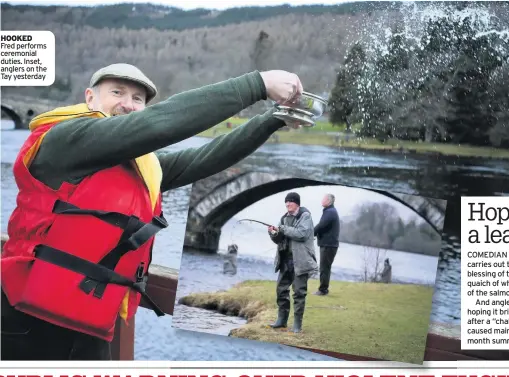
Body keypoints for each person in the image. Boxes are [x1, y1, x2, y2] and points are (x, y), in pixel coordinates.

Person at [1, 63, 306, 360]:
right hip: (22, 322)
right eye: (117, 93)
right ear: (90, 98)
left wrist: (274, 118)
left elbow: (205, 158)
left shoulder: (141, 168)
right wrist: (259, 84)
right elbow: (161, 123)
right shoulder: (63, 139)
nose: (128, 104)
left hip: (89, 332)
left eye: (137, 99)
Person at [267, 192, 318, 333]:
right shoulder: (284, 218)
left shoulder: (305, 216)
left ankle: (297, 325)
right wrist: (273, 233)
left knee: (299, 293)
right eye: (286, 202)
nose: (288, 204)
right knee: (281, 290)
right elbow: (279, 239)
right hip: (285, 260)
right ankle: (281, 321)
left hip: (301, 261)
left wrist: (282, 229)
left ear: (297, 203)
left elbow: (301, 234)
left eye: (290, 202)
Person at [313, 193, 340, 296]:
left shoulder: (330, 212)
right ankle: (323, 289)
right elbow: (322, 226)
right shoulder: (329, 211)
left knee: (324, 267)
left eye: (324, 198)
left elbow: (321, 226)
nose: (322, 200)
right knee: (325, 267)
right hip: (328, 244)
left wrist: (310, 234)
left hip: (329, 245)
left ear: (328, 201)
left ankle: (323, 290)